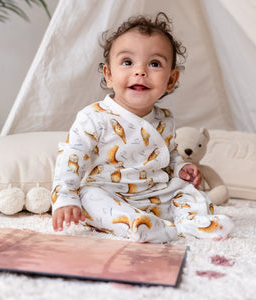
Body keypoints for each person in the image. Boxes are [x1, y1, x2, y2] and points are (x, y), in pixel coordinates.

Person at [51, 12, 233, 243]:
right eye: (127, 62)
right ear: (109, 75)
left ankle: (192, 223)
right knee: (88, 198)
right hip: (110, 191)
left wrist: (181, 168)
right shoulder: (94, 117)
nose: (140, 71)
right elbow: (70, 160)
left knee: (189, 192)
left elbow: (168, 156)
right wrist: (65, 198)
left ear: (170, 80)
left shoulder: (165, 119)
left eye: (154, 64)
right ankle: (137, 224)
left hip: (157, 193)